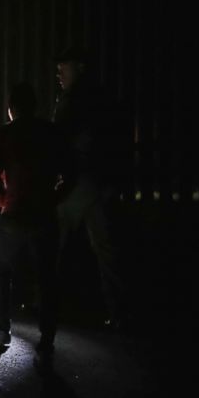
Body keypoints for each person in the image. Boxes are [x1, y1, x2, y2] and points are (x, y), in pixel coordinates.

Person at [0, 82, 66, 353]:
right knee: (47, 275)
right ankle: (47, 333)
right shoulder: (51, 133)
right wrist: (53, 199)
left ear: (11, 109)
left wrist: (5, 202)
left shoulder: (3, 134)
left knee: (2, 270)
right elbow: (71, 174)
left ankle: (3, 326)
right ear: (35, 106)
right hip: (44, 214)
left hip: (14, 215)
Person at [52, 47, 131, 329]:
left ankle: (48, 308)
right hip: (93, 184)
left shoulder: (74, 100)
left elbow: (57, 140)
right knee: (105, 251)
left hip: (78, 184)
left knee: (55, 248)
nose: (59, 71)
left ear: (80, 67)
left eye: (64, 65)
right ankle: (118, 312)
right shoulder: (99, 99)